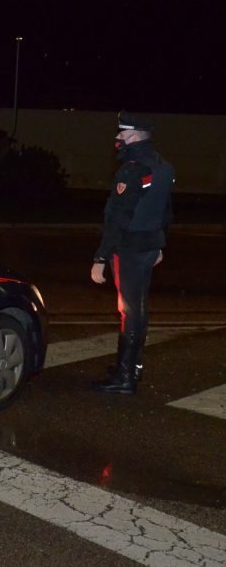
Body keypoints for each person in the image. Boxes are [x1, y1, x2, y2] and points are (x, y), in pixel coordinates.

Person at [90, 111, 175, 395]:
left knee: (128, 311)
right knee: (139, 308)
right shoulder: (162, 166)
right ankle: (132, 367)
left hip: (128, 249)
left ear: (135, 135)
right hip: (149, 247)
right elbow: (164, 211)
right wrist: (160, 245)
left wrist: (100, 258)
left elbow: (117, 218)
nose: (117, 139)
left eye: (122, 133)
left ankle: (124, 376)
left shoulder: (132, 168)